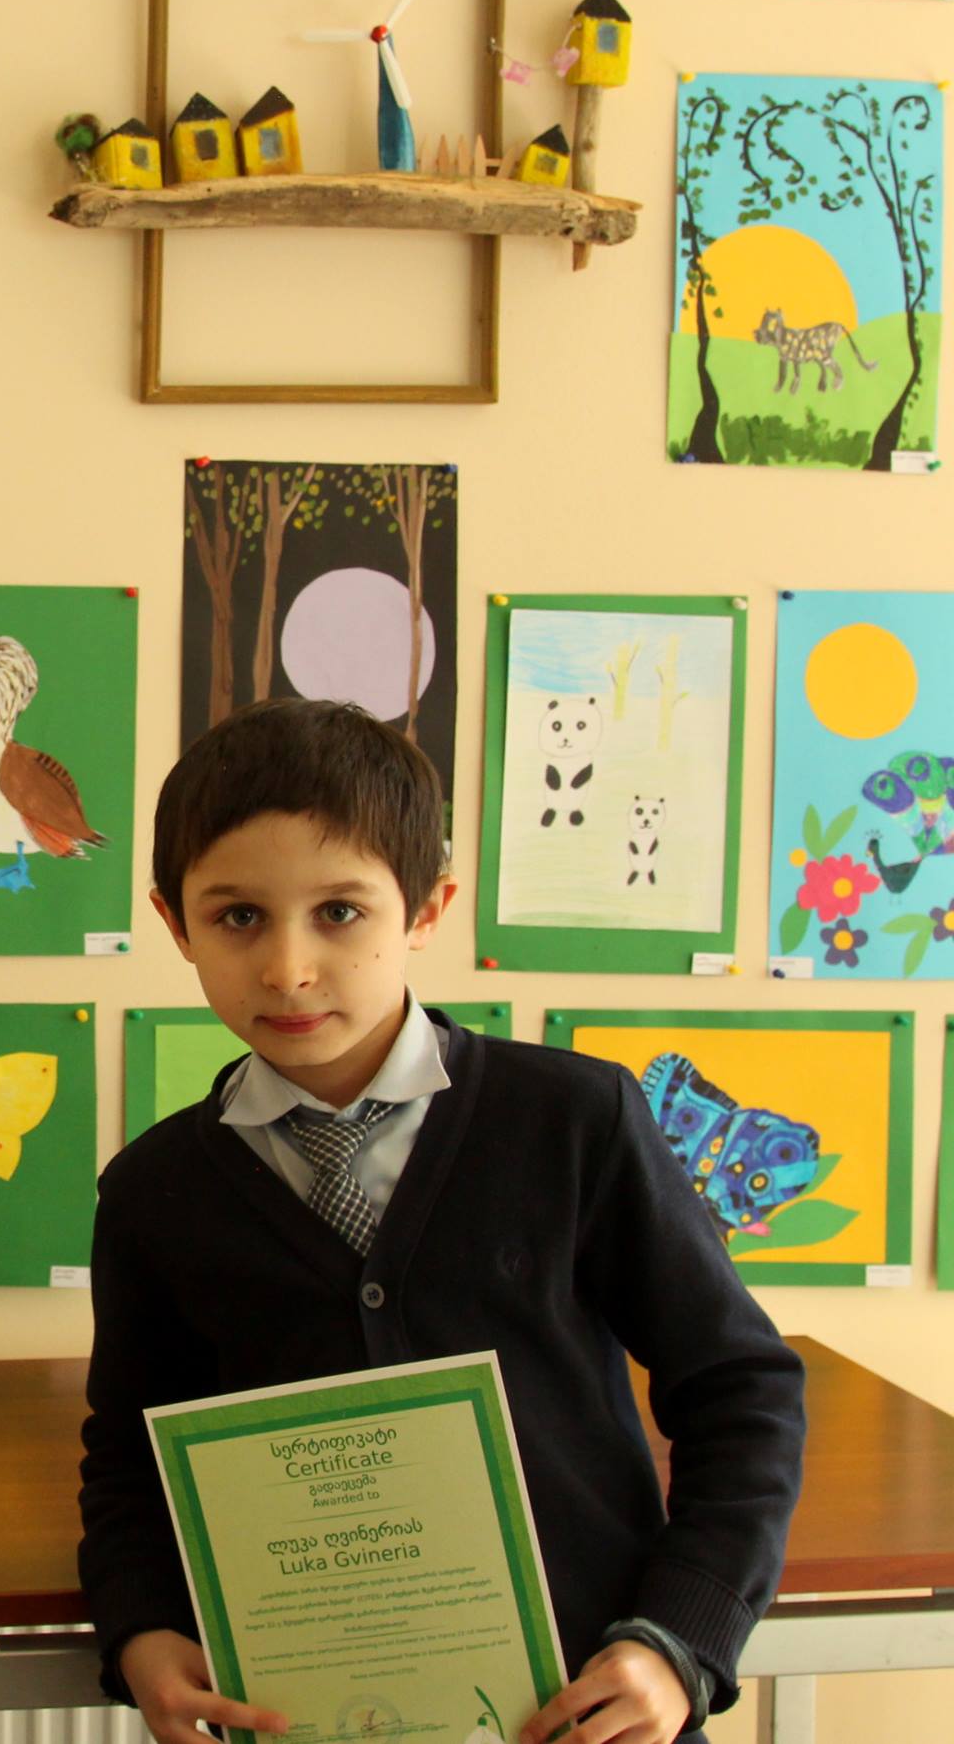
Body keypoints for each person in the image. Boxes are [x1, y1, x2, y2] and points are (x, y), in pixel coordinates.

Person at [77, 699, 805, 1744]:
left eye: (339, 911)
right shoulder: (152, 1191)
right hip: (308, 1715)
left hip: (586, 1711)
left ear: (425, 909)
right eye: (237, 916)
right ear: (173, 921)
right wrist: (142, 1629)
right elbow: (126, 1456)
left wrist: (677, 1641)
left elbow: (741, 1388)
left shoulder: (574, 1119)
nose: (287, 967)